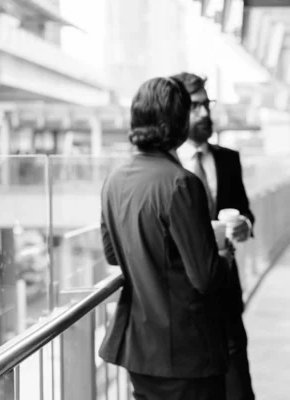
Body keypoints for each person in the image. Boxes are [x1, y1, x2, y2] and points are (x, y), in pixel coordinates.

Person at [99, 76, 233, 400]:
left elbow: (112, 255)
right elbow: (204, 277)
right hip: (187, 355)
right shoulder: (181, 183)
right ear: (179, 122)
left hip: (141, 352)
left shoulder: (114, 180)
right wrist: (225, 253)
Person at [172, 72, 256, 400]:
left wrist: (244, 226)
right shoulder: (166, 167)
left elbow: (246, 211)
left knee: (238, 388)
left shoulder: (228, 159)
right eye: (195, 106)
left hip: (225, 294)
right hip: (184, 302)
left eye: (207, 104)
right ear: (176, 109)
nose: (205, 113)